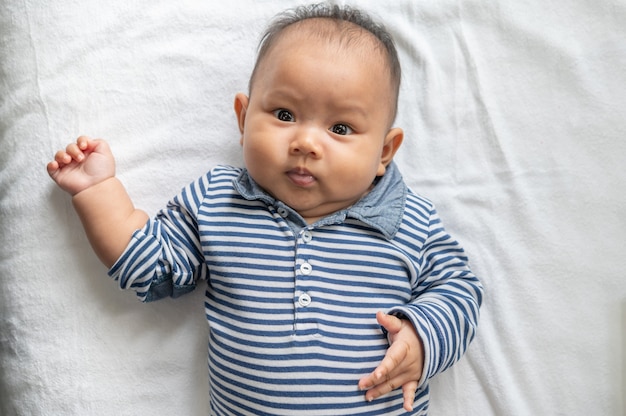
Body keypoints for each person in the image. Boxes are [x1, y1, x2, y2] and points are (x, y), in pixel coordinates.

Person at [47, 3, 482, 415]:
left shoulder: (411, 219)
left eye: (341, 127)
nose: (306, 143)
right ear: (243, 118)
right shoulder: (217, 200)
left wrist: (424, 338)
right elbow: (149, 267)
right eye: (285, 114)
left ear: (384, 151)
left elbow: (461, 290)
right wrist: (97, 191)